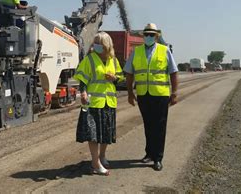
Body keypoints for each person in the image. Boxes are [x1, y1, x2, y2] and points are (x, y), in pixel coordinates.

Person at [124, 23, 178, 171]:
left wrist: (174, 93)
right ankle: (149, 153)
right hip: (143, 95)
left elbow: (173, 72)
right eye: (146, 34)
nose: (148, 37)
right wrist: (130, 93)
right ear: (143, 36)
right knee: (148, 125)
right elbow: (129, 73)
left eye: (151, 35)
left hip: (160, 95)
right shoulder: (136, 51)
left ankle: (158, 158)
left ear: (156, 36)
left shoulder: (164, 50)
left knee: (159, 127)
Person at [74, 32, 124, 176]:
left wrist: (114, 78)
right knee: (93, 134)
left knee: (106, 133)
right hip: (93, 103)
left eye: (99, 43)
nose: (96, 45)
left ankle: (102, 156)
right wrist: (82, 92)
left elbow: (120, 78)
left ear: (107, 45)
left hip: (109, 103)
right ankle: (95, 163)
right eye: (95, 42)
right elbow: (82, 78)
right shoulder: (89, 59)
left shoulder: (113, 61)